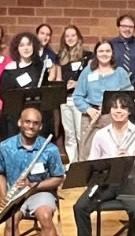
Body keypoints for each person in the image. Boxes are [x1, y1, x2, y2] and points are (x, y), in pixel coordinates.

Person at [75, 93, 135, 236]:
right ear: (109, 111)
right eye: (115, 107)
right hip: (105, 182)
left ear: (129, 111)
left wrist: (133, 161)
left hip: (130, 183)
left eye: (123, 108)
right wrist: (108, 164)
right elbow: (92, 162)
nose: (118, 111)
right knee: (79, 207)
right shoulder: (101, 135)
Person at [0, 107, 65, 236]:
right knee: (11, 220)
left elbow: (58, 177)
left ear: (40, 126)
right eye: (27, 122)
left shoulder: (49, 148)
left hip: (39, 192)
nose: (30, 126)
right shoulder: (6, 147)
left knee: (45, 216)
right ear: (20, 122)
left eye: (35, 123)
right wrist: (4, 197)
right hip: (15, 194)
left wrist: (35, 186)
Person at [72, 40, 132, 160]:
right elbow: (77, 96)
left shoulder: (120, 73)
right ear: (96, 53)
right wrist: (88, 109)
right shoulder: (87, 72)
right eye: (101, 51)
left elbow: (128, 95)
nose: (104, 54)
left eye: (107, 51)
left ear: (112, 53)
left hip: (113, 117)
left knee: (111, 152)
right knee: (87, 154)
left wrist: (114, 108)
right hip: (91, 117)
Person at [0, 32, 48, 141]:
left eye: (28, 44)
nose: (26, 48)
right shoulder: (9, 70)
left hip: (34, 117)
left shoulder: (40, 68)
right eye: (21, 45)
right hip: (14, 119)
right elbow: (3, 94)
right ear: (17, 49)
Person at [55, 26, 93, 161]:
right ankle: (72, 163)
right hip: (65, 100)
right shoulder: (60, 57)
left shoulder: (87, 56)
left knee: (80, 133)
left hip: (79, 99)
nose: (70, 39)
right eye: (67, 36)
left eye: (73, 35)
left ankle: (82, 162)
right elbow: (58, 79)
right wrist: (61, 86)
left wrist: (78, 84)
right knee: (69, 134)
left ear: (79, 38)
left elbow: (91, 78)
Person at [111, 14, 135, 88]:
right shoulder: (111, 44)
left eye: (131, 27)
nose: (127, 29)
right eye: (124, 26)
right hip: (114, 86)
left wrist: (133, 84)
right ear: (118, 27)